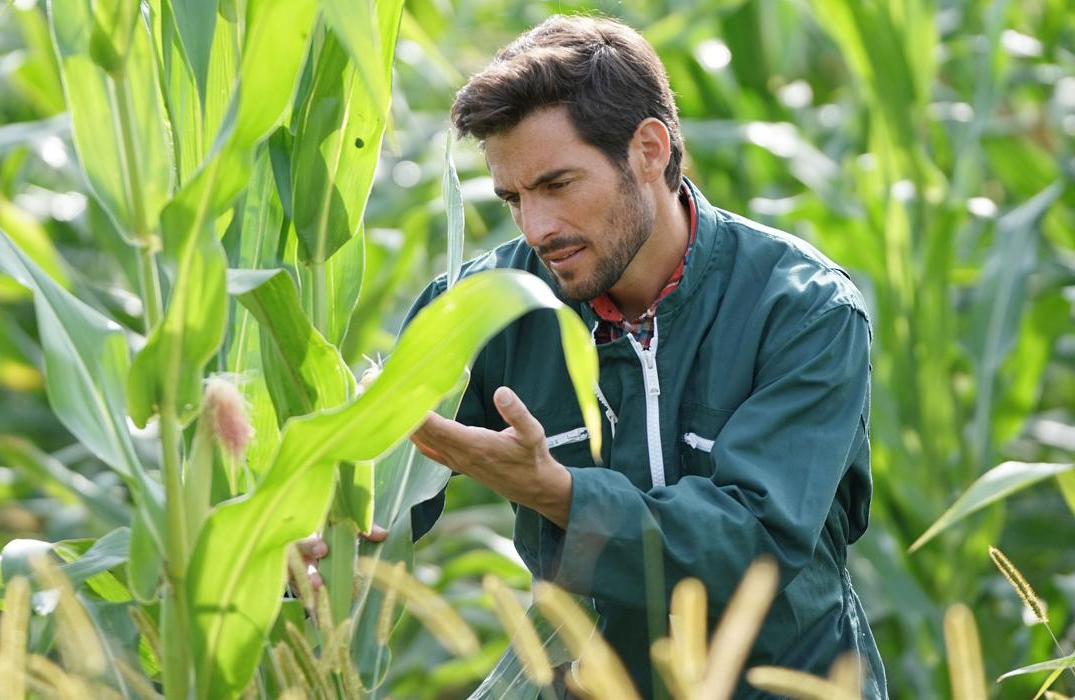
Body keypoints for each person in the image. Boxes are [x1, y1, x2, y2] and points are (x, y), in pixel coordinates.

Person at [302, 13, 889, 698]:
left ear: (649, 149)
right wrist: (308, 536)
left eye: (557, 185)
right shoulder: (480, 308)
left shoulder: (802, 309)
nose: (537, 227)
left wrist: (559, 494)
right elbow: (375, 498)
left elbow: (754, 545)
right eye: (513, 198)